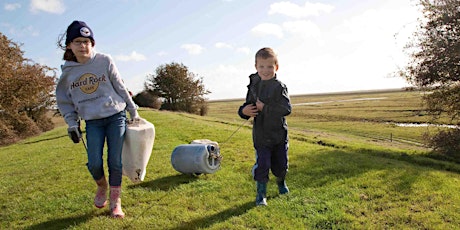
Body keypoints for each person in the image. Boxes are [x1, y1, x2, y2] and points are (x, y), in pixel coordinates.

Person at [56, 20, 139, 218]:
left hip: (115, 116)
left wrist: (132, 109)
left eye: (87, 41)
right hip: (92, 121)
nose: (83, 46)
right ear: (69, 45)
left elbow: (119, 85)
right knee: (94, 162)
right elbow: (64, 101)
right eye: (77, 42)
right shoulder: (67, 72)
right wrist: (71, 123)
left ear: (92, 43)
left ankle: (115, 202)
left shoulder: (104, 60)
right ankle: (102, 186)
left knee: (115, 161)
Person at [238, 47, 292, 206]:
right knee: (262, 165)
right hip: (261, 136)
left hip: (279, 136)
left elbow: (286, 109)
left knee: (280, 165)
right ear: (256, 67)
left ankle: (281, 183)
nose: (266, 70)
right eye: (261, 66)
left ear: (277, 67)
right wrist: (243, 111)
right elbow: (247, 107)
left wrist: (265, 108)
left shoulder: (279, 87)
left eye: (270, 66)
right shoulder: (253, 86)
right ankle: (261, 194)